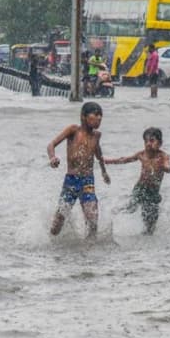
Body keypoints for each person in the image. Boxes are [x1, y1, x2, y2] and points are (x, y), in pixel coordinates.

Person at [47, 101, 111, 239]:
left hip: (88, 181)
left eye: (101, 115)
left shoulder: (96, 136)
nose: (99, 118)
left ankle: (89, 250)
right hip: (71, 181)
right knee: (57, 224)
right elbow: (51, 144)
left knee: (92, 218)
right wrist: (53, 158)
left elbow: (98, 154)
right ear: (84, 117)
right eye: (95, 115)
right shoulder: (73, 130)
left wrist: (104, 171)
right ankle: (52, 243)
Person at [105, 127, 170, 234]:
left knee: (150, 222)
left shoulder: (163, 156)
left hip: (153, 192)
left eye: (152, 140)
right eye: (146, 141)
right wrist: (109, 161)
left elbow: (168, 168)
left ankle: (146, 236)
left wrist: (164, 167)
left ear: (160, 143)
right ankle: (114, 213)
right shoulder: (142, 154)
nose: (148, 144)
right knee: (131, 208)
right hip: (140, 188)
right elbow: (125, 159)